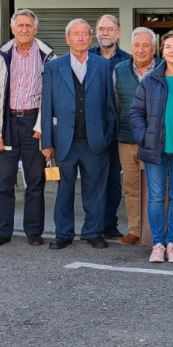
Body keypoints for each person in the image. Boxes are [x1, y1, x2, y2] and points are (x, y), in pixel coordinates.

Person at [41, 19, 118, 249]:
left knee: (94, 188)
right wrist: (47, 141)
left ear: (91, 38)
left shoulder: (103, 66)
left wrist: (106, 136)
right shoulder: (54, 67)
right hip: (64, 141)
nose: (81, 38)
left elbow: (110, 106)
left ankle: (93, 232)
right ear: (68, 39)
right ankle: (63, 233)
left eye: (85, 34)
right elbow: (47, 108)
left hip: (95, 140)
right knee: (64, 189)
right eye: (76, 34)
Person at [0, 9, 55, 247]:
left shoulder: (47, 56)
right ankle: (2, 231)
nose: (24, 30)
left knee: (35, 181)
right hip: (7, 122)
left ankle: (34, 231)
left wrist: (43, 125)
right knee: (3, 180)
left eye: (29, 26)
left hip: (34, 123)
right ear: (12, 29)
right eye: (20, 25)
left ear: (36, 29)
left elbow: (52, 96)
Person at [130, 32, 173, 264]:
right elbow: (135, 112)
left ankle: (172, 244)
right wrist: (144, 137)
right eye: (168, 47)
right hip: (155, 149)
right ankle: (157, 243)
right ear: (161, 52)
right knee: (155, 197)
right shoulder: (151, 80)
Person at [112, 27, 159, 245]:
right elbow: (115, 103)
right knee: (131, 188)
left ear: (154, 48)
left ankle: (154, 231)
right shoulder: (119, 70)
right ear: (131, 47)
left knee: (156, 187)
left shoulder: (163, 68)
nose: (141, 50)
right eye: (137, 45)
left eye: (146, 45)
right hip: (127, 138)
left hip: (155, 140)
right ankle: (135, 230)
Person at [91, 14, 132, 241]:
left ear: (118, 33)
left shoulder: (128, 61)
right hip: (91, 129)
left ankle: (109, 223)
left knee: (114, 181)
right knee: (94, 178)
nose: (105, 33)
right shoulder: (85, 58)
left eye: (110, 29)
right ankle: (93, 224)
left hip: (118, 128)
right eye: (101, 29)